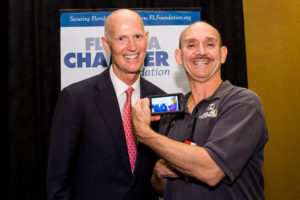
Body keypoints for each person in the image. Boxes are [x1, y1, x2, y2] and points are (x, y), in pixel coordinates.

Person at [131, 21, 268, 200]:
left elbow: (211, 170)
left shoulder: (243, 103)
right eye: (191, 45)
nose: (201, 51)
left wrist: (145, 134)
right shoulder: (171, 112)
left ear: (223, 54)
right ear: (179, 57)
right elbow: (163, 190)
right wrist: (158, 175)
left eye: (210, 44)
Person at [46, 9, 164, 200]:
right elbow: (58, 179)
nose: (132, 46)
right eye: (121, 39)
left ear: (147, 38)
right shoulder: (76, 98)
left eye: (137, 36)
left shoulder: (159, 99)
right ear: (106, 44)